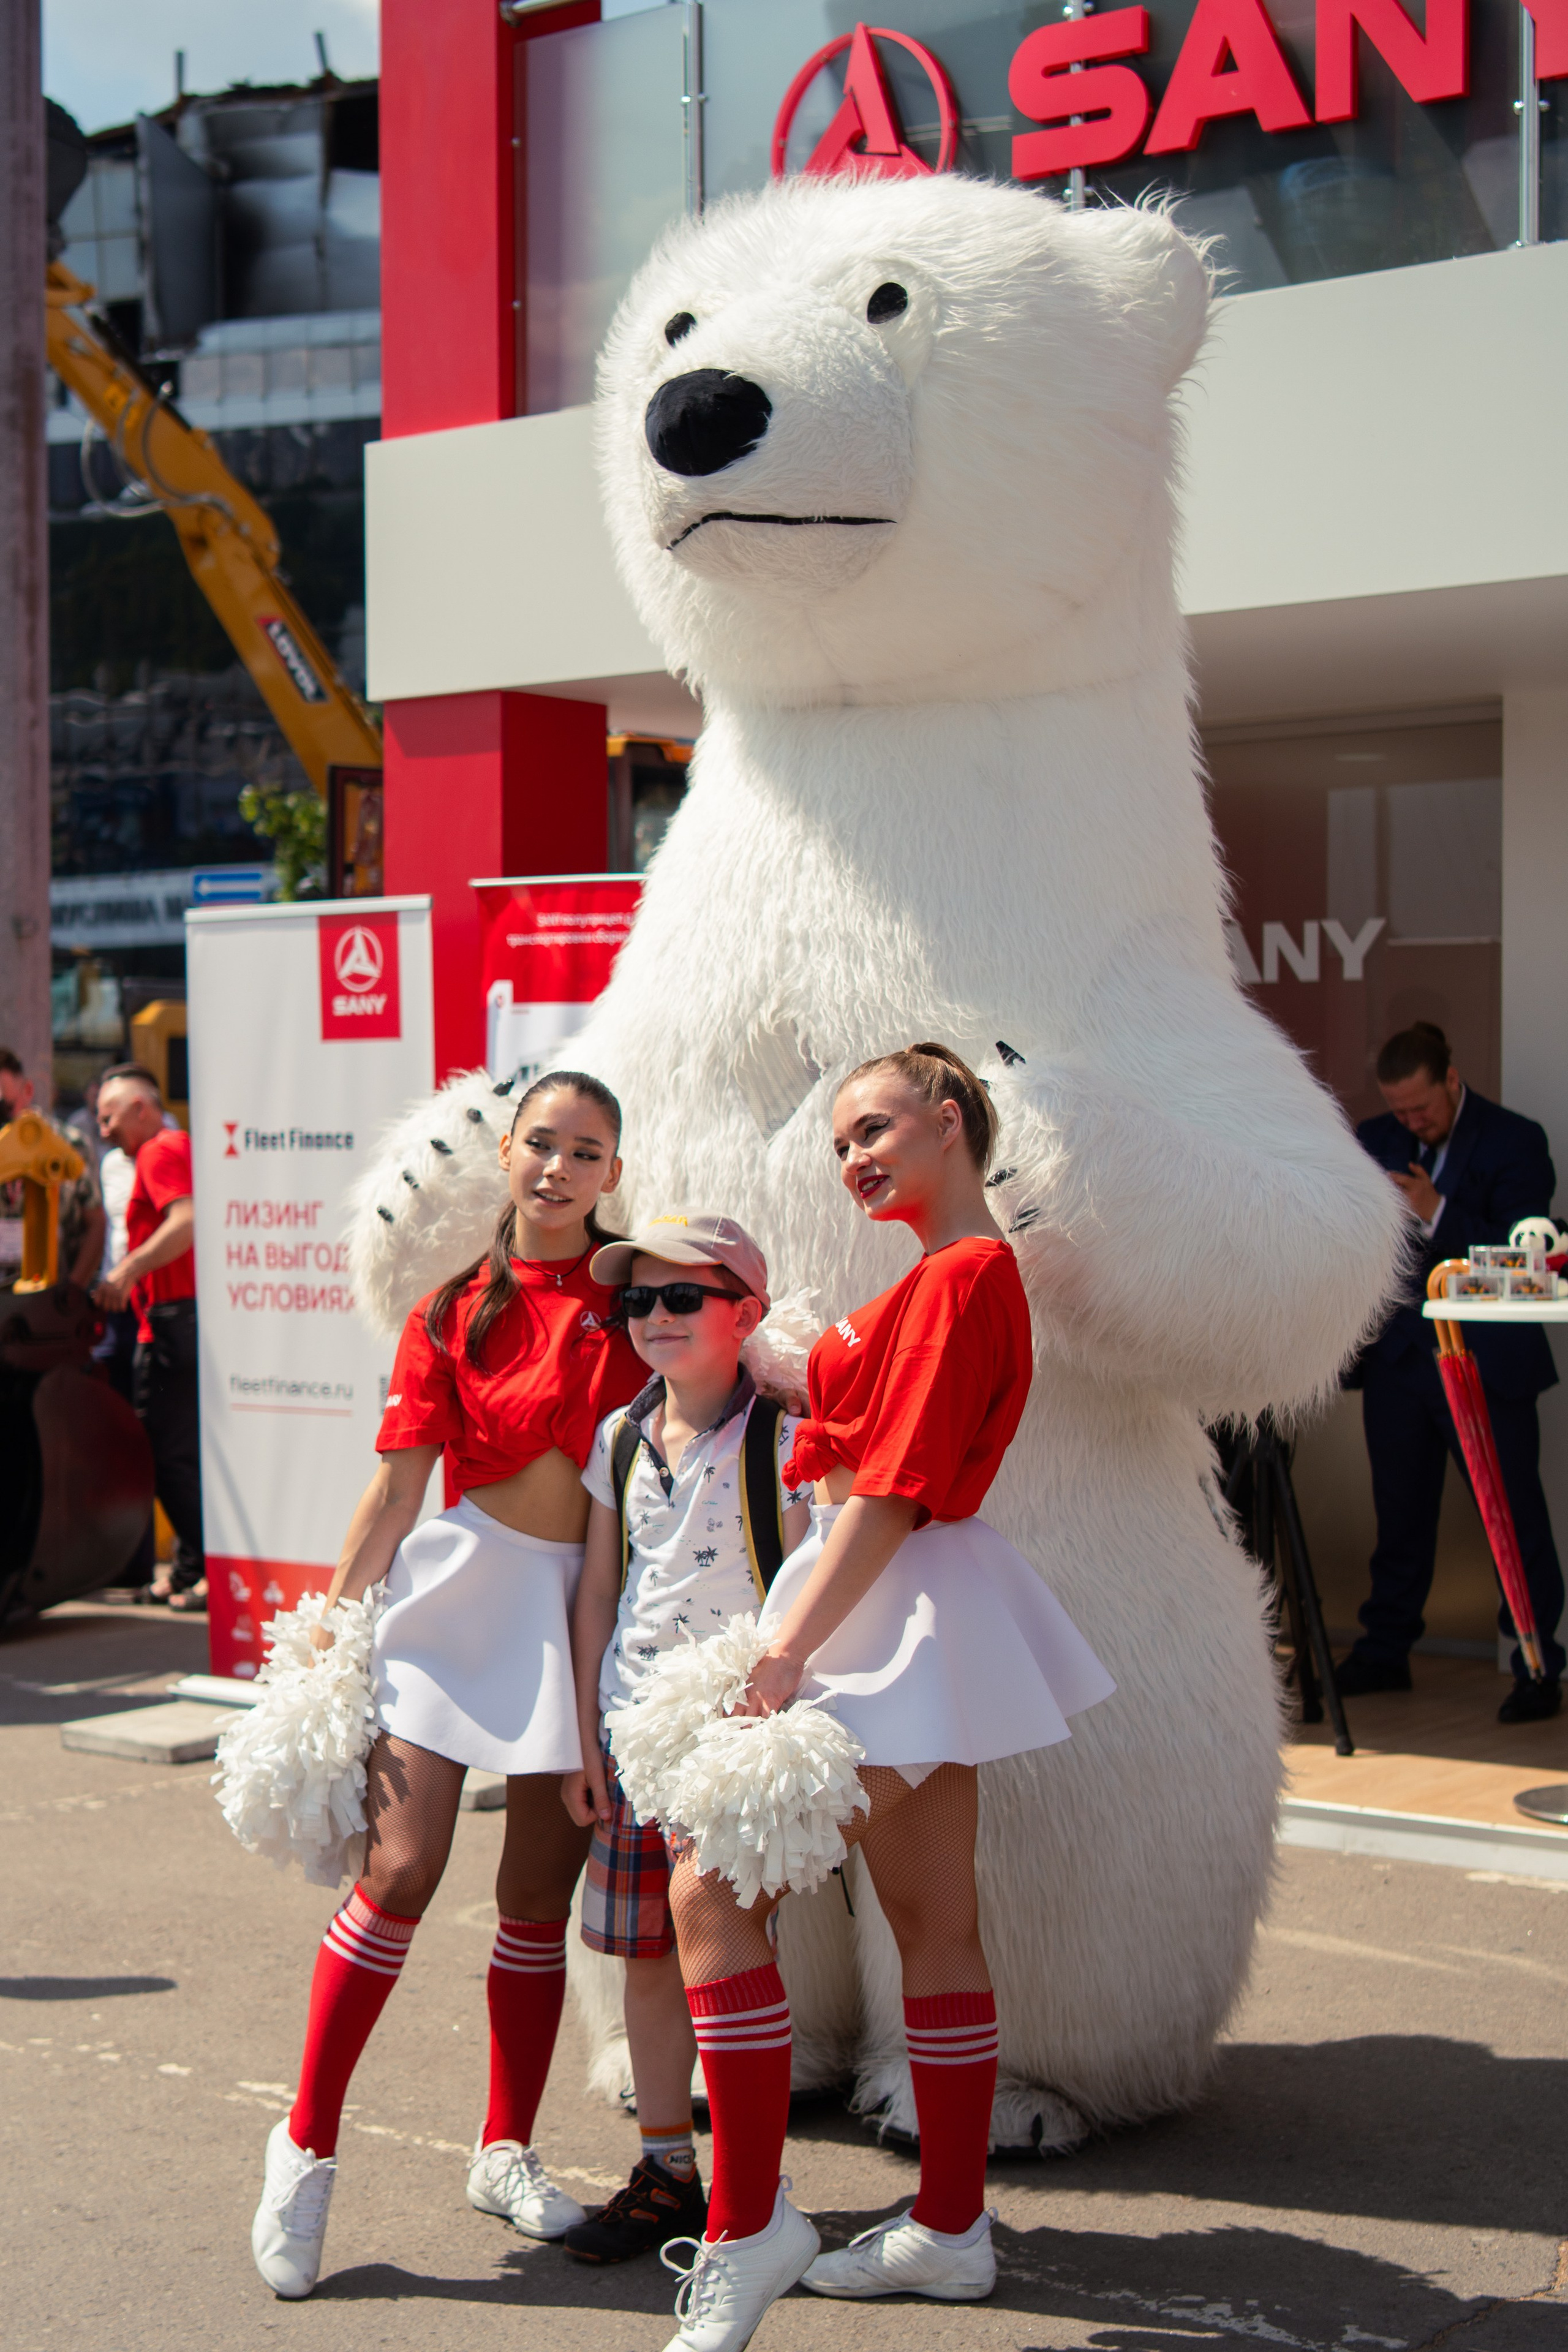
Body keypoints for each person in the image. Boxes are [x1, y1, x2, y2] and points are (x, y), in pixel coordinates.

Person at [648, 1044, 1114, 2352]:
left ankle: (749, 2231)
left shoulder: (964, 1277)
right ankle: (951, 2230)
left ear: (949, 1122)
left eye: (873, 1129)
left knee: (710, 1887)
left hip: (887, 1599)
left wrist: (781, 1649)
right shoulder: (942, 1277)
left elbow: (895, 1491)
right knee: (931, 1916)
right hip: (905, 1596)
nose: (851, 1157)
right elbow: (873, 1441)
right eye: (840, 1141)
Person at [250, 1071, 647, 2301]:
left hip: (574, 1612)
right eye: (540, 1143)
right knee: (403, 1871)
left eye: (584, 1151)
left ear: (611, 1171)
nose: (556, 1169)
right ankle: (304, 2146)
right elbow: (395, 1487)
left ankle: (504, 2149)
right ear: (508, 1155)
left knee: (535, 1900)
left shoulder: (640, 1293)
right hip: (451, 1598)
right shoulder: (453, 1307)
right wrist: (331, 1623)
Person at [561, 1213, 812, 2267]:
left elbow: (810, 1586)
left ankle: (751, 2201)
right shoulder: (618, 1437)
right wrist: (585, 1737)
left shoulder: (786, 1438)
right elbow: (597, 1595)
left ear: (743, 1313)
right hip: (631, 1737)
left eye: (681, 1299)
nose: (654, 1319)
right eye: (637, 1301)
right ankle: (669, 2171)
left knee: (726, 1954)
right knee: (648, 1963)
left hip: (732, 1741)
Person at [1340, 1022, 1566, 1722]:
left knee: (1510, 1515)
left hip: (1485, 1362)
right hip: (1399, 1362)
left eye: (1423, 1109)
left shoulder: (1512, 1140)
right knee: (1399, 1516)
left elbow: (1524, 1256)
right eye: (1401, 1110)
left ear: (1451, 1081)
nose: (1412, 1122)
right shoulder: (1371, 1141)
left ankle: (1534, 1661)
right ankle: (1385, 1649)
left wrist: (1434, 1211)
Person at [91, 1065, 204, 1607]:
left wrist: (125, 1271)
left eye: (108, 1116)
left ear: (141, 1108)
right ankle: (191, 1567)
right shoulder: (167, 1149)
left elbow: (185, 1221)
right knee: (174, 1451)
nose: (103, 1130)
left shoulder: (161, 1150)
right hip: (170, 1318)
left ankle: (202, 1564)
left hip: (170, 1321)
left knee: (164, 1452)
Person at [0, 1046, 107, 1291]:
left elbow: (96, 1223)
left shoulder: (70, 1146)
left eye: (5, 1107)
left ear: (27, 1091)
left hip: (50, 1293)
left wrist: (73, 1288)